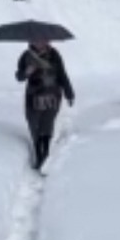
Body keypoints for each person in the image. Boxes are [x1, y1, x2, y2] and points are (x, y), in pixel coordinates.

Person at [16, 39, 75, 170]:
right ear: (31, 41)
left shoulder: (54, 55)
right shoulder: (26, 56)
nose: (41, 43)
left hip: (52, 95)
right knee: (34, 124)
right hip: (33, 97)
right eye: (37, 40)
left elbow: (62, 74)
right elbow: (19, 76)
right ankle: (38, 153)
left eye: (44, 40)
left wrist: (69, 93)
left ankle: (45, 154)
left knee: (47, 124)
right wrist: (27, 72)